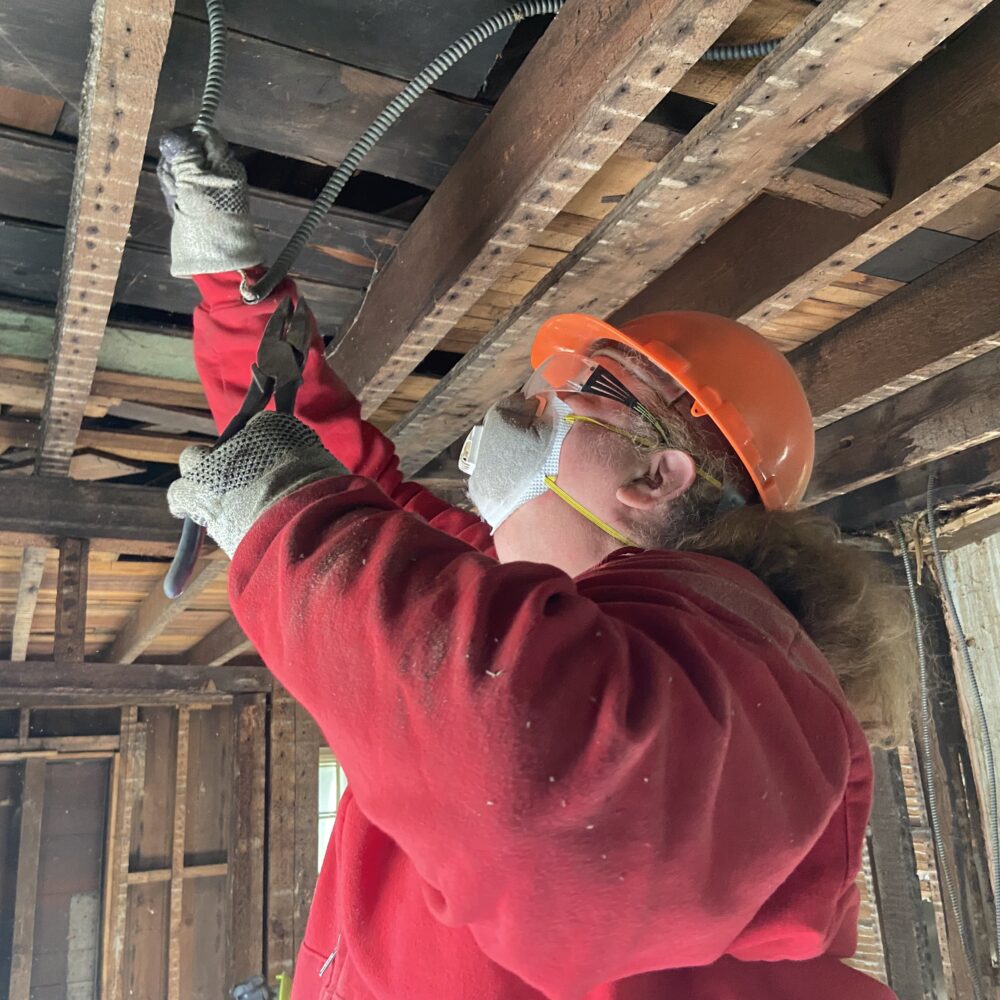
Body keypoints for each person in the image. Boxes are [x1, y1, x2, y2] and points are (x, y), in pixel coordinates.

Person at [159, 128, 913, 1000]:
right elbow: (339, 484)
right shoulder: (511, 603)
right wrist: (233, 290)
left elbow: (540, 786)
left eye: (582, 383)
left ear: (654, 473)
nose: (535, 393)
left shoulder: (751, 681)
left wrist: (290, 517)